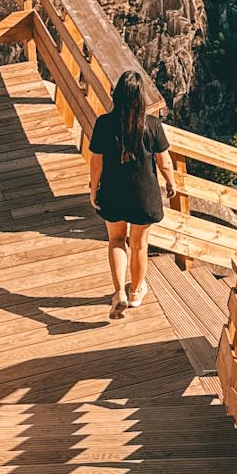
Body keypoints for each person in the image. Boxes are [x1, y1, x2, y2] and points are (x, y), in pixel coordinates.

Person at [88, 69, 177, 320]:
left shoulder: (104, 124)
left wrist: (93, 189)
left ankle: (119, 293)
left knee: (116, 241)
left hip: (113, 194)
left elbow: (97, 164)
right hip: (144, 196)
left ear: (116, 95)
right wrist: (171, 183)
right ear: (141, 99)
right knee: (139, 245)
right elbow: (165, 162)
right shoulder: (152, 125)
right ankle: (136, 291)